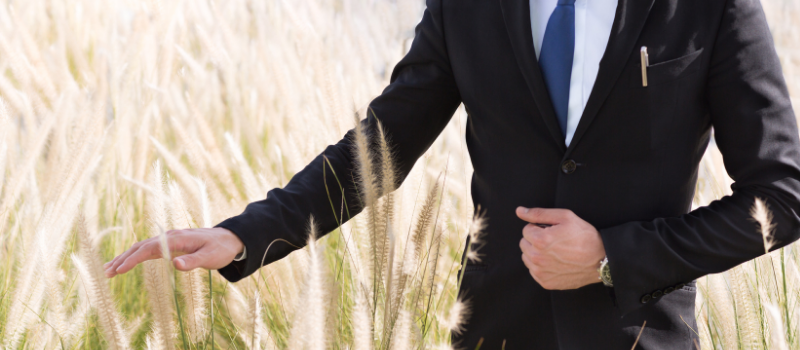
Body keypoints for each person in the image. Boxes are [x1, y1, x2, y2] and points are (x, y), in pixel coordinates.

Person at [104, 0, 800, 348]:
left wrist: (615, 258)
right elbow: (387, 140)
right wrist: (248, 234)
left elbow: (783, 195)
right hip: (493, 332)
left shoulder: (709, 6)